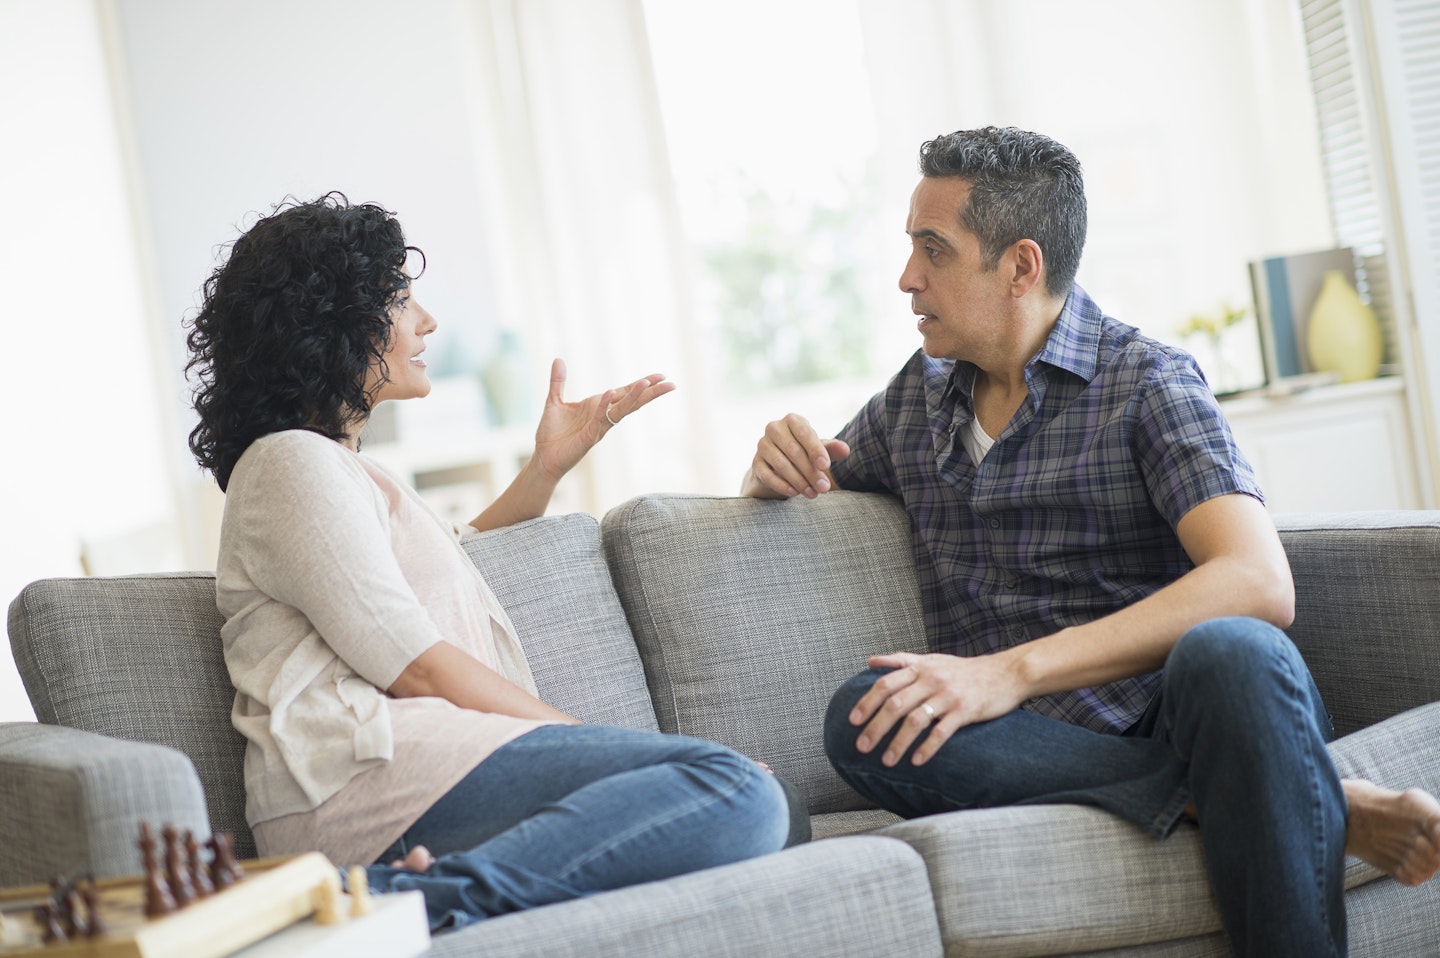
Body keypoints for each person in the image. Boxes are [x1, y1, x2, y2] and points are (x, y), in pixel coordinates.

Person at [742, 127, 1440, 957]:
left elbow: (1258, 580)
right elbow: (820, 472)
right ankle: (1308, 796)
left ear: (1020, 267)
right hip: (1029, 749)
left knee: (1231, 652)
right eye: (910, 248)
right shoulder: (915, 400)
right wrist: (774, 469)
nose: (907, 278)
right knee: (864, 712)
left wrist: (1010, 671)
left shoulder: (1147, 382)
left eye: (934, 250)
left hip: (1190, 715)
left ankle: (1259, 775)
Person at [185, 192, 791, 933]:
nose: (427, 321)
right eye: (401, 301)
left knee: (774, 816)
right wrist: (608, 746)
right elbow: (415, 663)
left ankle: (435, 893)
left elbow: (450, 558)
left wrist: (545, 468)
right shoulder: (289, 465)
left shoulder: (337, 468)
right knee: (731, 789)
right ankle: (400, 907)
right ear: (334, 321)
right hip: (362, 785)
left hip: (428, 771)